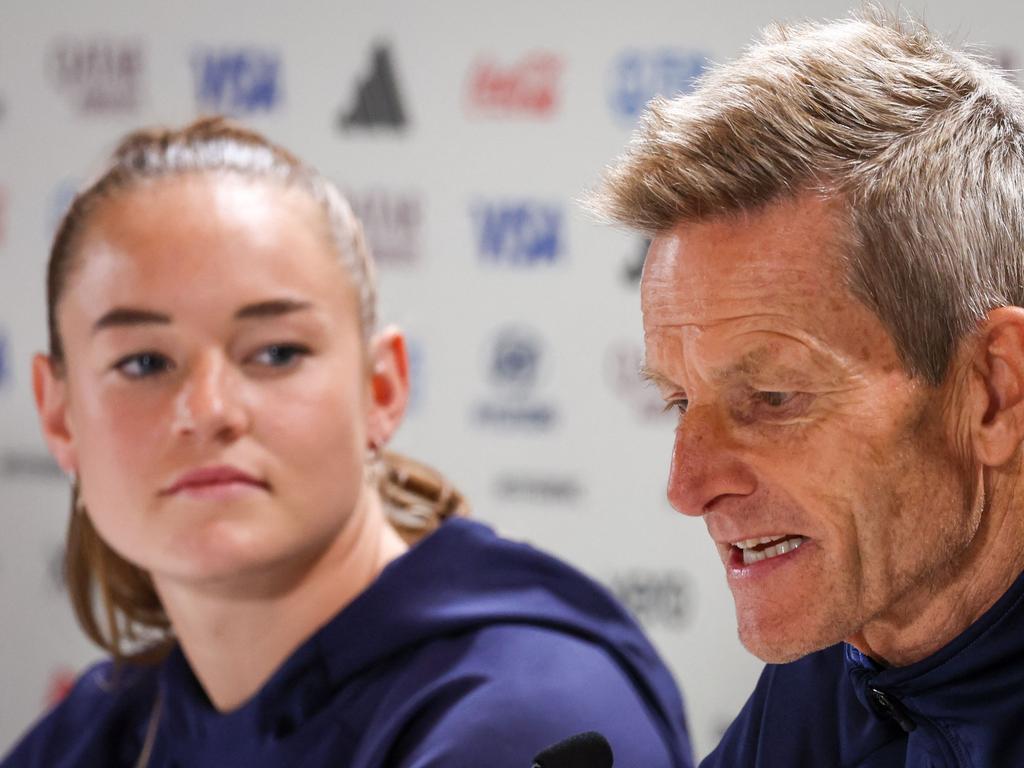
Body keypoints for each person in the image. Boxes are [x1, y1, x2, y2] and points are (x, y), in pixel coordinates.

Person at [2, 118, 693, 768]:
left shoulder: (530, 717)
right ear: (59, 415)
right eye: (144, 363)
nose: (208, 410)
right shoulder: (101, 729)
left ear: (382, 390)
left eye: (275, 353)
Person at [589, 9, 1024, 767]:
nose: (687, 487)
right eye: (681, 402)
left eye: (771, 399)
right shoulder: (844, 648)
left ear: (993, 390)